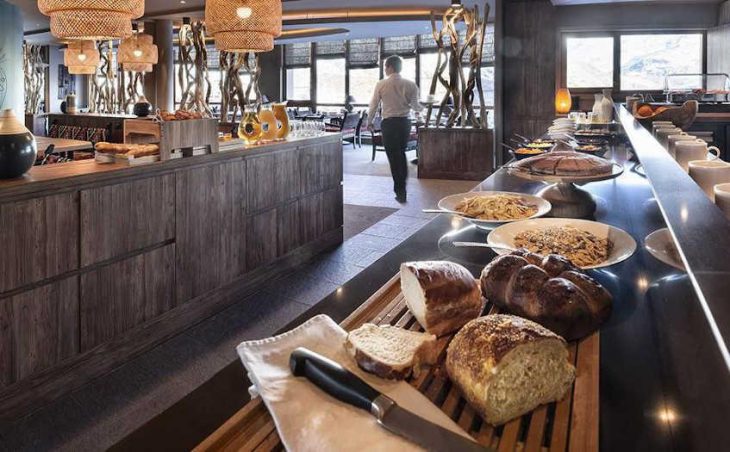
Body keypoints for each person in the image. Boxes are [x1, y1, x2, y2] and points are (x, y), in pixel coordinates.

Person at [367, 55, 422, 203]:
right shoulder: (411, 84)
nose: (385, 69)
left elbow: (373, 105)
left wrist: (369, 121)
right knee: (401, 153)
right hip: (405, 123)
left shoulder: (381, 84)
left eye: (385, 67)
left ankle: (399, 189)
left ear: (390, 67)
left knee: (393, 156)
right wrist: (425, 106)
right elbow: (416, 107)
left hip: (389, 124)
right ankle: (401, 186)